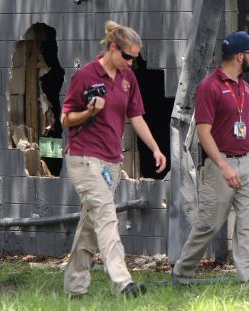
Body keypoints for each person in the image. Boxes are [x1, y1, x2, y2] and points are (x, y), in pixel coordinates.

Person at [61, 20, 166, 297]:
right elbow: (66, 118)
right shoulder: (85, 76)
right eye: (127, 56)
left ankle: (74, 287)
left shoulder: (127, 78)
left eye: (135, 58)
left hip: (111, 162)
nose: (131, 63)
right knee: (106, 216)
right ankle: (123, 283)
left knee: (90, 227)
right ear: (112, 48)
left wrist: (155, 148)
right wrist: (89, 113)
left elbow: (136, 117)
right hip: (84, 158)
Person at [173, 31, 249, 289]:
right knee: (209, 225)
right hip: (219, 165)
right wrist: (224, 167)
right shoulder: (210, 87)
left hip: (247, 162)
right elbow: (203, 132)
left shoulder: (245, 88)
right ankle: (182, 273)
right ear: (239, 56)